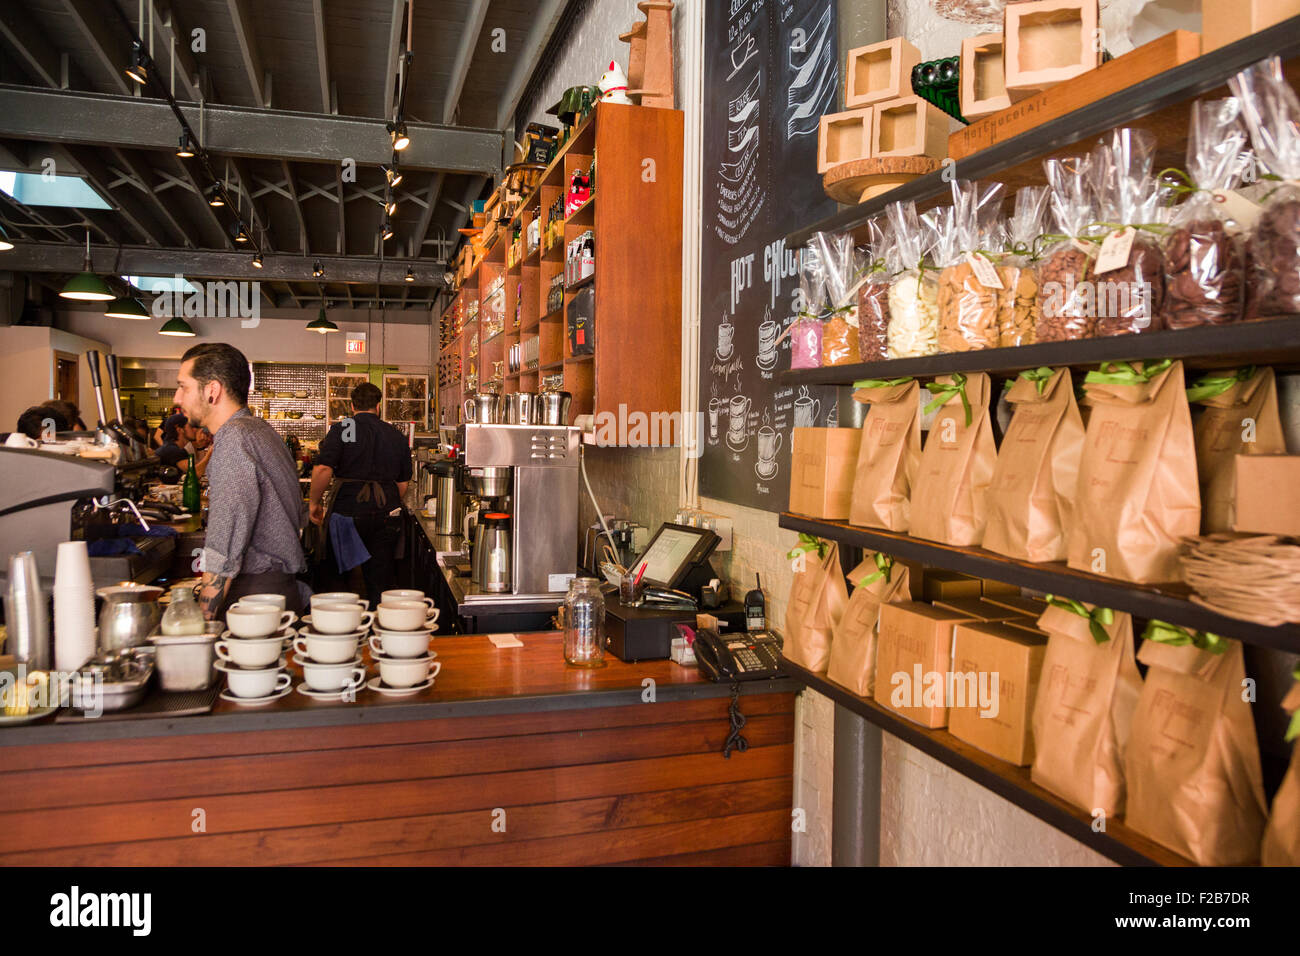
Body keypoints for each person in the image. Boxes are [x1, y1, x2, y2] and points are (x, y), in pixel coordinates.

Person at [173, 342, 307, 620]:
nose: (177, 398)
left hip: (255, 603)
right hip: (275, 592)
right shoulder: (259, 429)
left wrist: (203, 621)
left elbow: (225, 544)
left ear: (212, 390)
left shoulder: (234, 439)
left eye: (183, 387)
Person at [309, 381, 412, 608]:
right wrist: (387, 502)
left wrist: (314, 503)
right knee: (381, 583)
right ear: (379, 405)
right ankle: (381, 635)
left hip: (348, 511)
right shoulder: (393, 433)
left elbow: (324, 469)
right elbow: (403, 483)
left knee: (340, 581)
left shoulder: (347, 428)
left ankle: (343, 631)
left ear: (352, 405)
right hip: (387, 514)